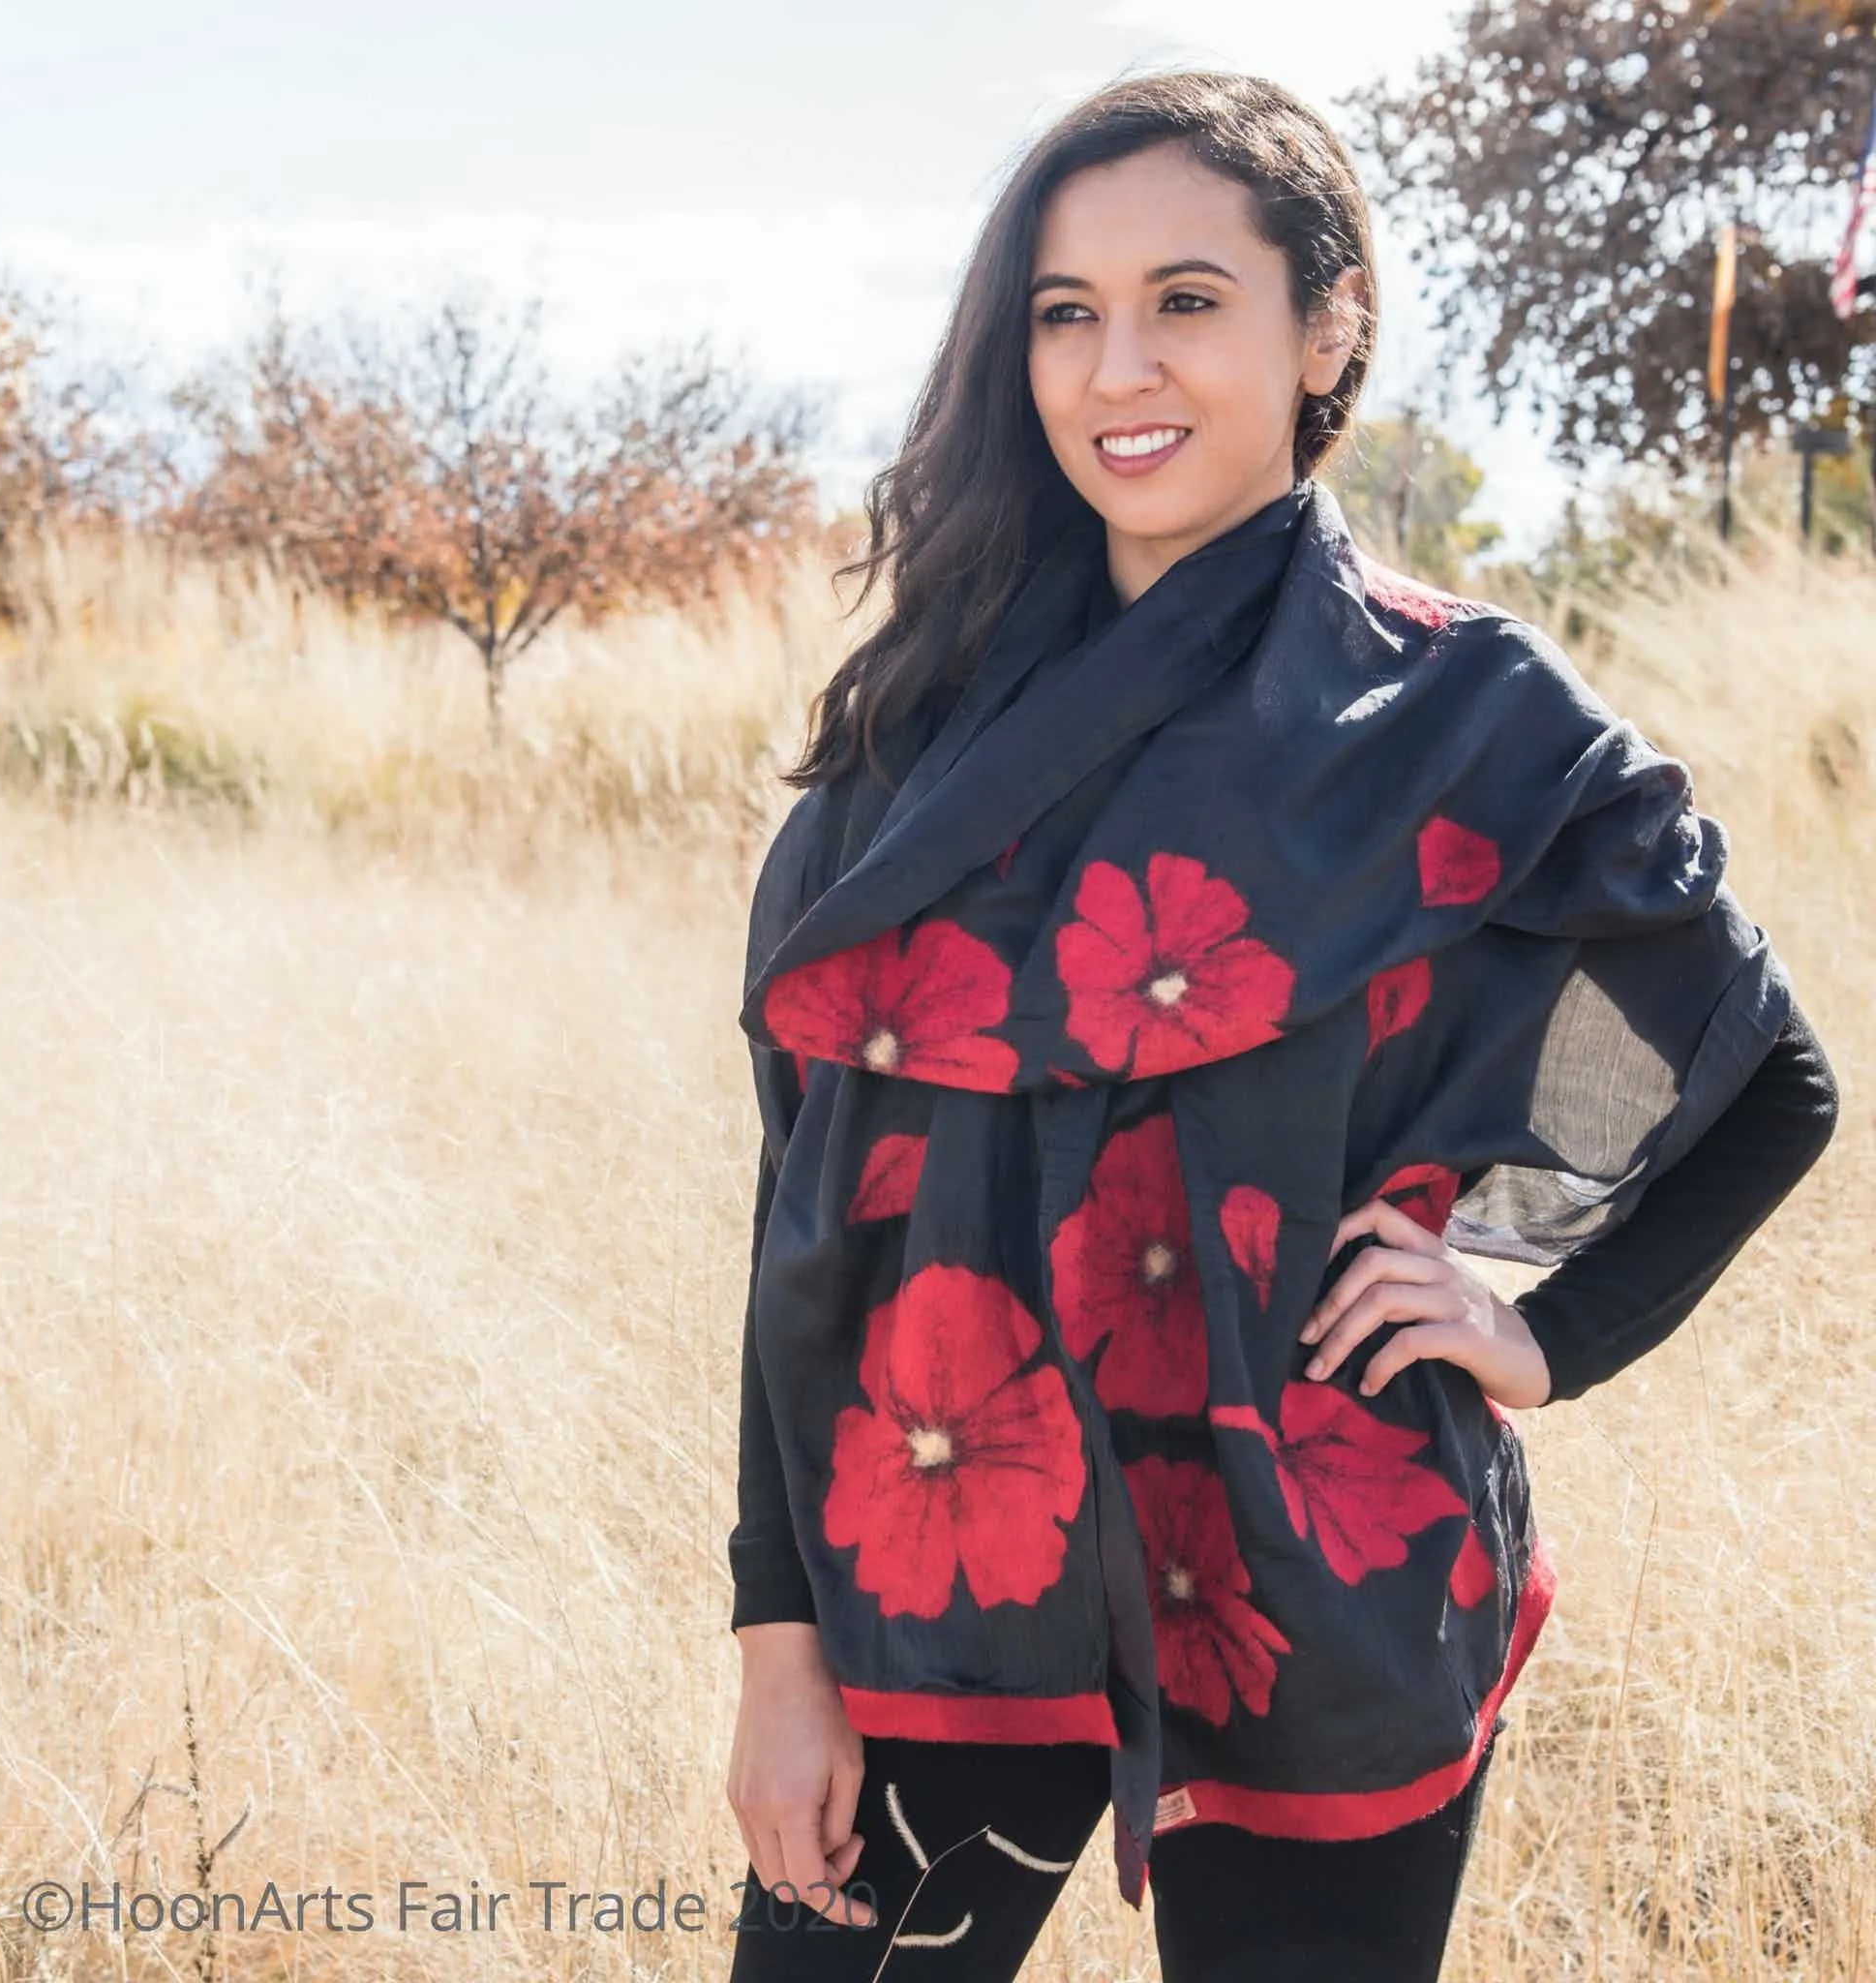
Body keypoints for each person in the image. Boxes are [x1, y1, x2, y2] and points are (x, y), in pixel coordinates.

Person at [720, 69, 1838, 1983]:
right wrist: (773, 1648)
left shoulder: (1462, 718)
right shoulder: (917, 738)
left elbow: (1758, 1073)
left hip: (1326, 1586)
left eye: (1185, 298)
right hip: (937, 1562)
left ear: (1323, 328)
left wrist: (1529, 1317)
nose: (1114, 366)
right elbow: (802, 1220)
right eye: (1064, 313)